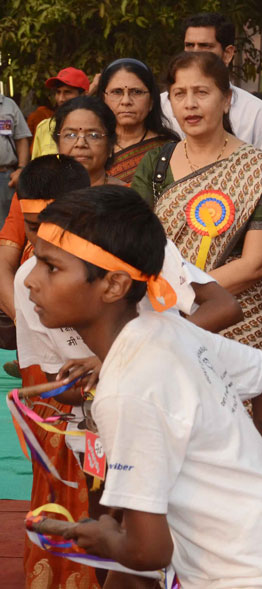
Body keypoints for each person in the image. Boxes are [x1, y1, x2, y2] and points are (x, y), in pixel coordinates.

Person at [22, 186, 262, 586]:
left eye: (51, 267)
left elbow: (148, 552)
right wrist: (260, 484)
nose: (30, 281)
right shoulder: (166, 329)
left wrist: (103, 536)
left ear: (114, 286)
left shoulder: (125, 390)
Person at [132, 52, 262, 374]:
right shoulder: (155, 164)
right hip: (162, 316)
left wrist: (176, 294)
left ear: (226, 100)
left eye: (202, 92)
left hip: (241, 321)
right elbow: (137, 242)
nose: (190, 104)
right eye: (179, 94)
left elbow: (256, 265)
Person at [12, 155, 98, 588]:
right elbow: (60, 383)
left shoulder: (118, 256)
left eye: (55, 222)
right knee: (70, 510)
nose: (45, 236)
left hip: (132, 405)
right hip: (73, 414)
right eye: (31, 225)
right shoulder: (30, 278)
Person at [0, 96, 125, 319]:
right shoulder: (33, 192)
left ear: (111, 143)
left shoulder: (126, 199)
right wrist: (28, 324)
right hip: (32, 316)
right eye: (70, 134)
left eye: (93, 135)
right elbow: (2, 265)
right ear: (57, 141)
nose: (80, 143)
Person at [159, 12, 262, 155]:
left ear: (228, 54)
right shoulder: (161, 105)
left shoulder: (256, 112)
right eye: (189, 45)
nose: (195, 54)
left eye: (205, 46)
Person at [93, 58, 180, 184]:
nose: (126, 101)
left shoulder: (168, 150)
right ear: (103, 99)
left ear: (151, 101)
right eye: (117, 92)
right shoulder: (90, 146)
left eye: (137, 92)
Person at [30, 66, 90, 159]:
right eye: (58, 92)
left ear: (83, 95)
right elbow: (36, 167)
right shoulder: (44, 127)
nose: (61, 99)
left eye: (67, 92)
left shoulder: (95, 126)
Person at [0, 90, 31, 220]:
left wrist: (21, 169)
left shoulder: (9, 105)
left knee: (5, 223)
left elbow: (22, 139)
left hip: (5, 176)